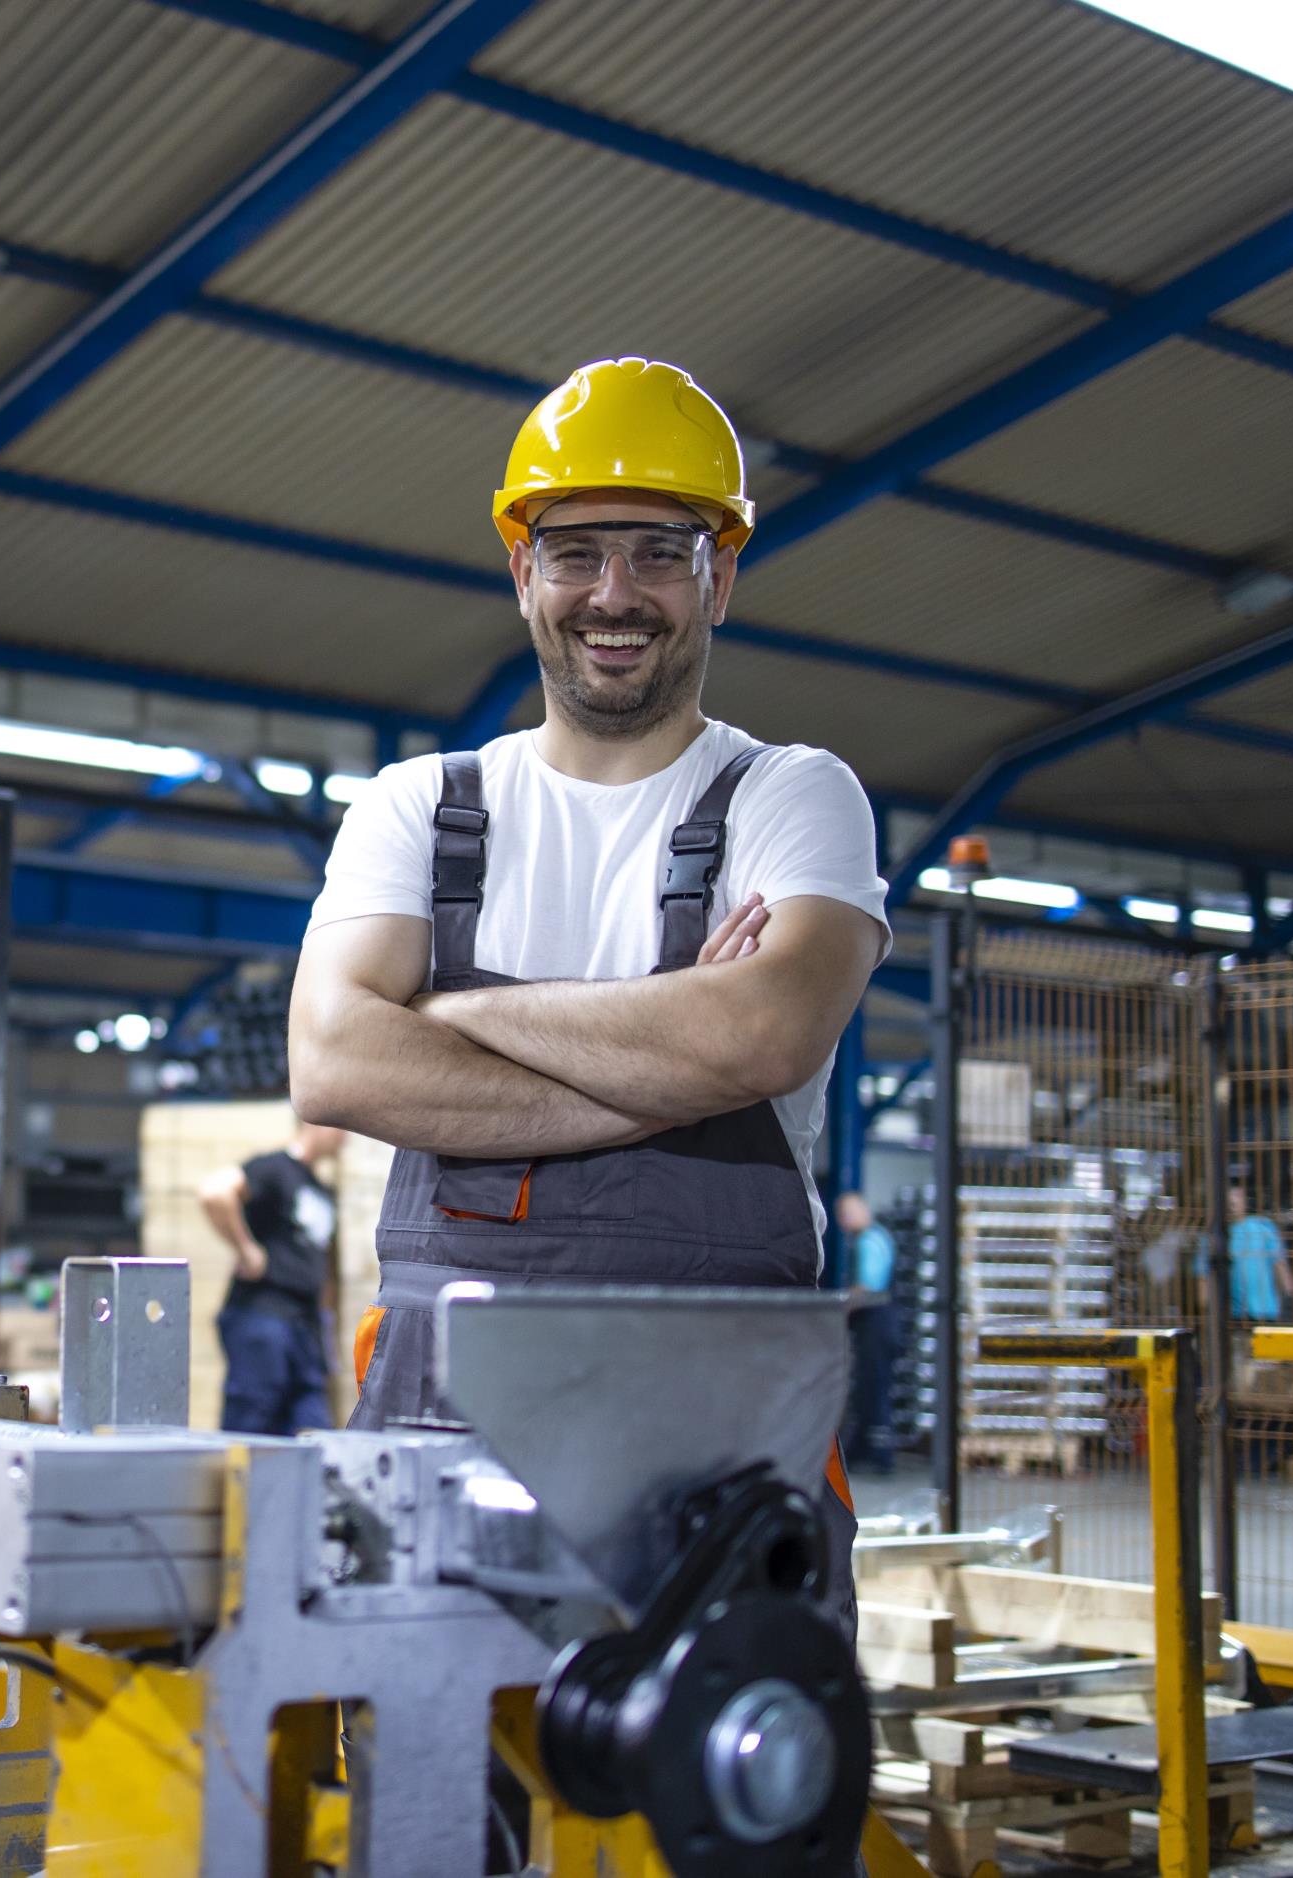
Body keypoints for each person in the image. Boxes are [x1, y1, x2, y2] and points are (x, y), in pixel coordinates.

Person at [289, 358, 890, 1634]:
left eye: (660, 553)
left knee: (725, 1798)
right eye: (575, 552)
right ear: (524, 574)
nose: (614, 595)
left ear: (719, 576)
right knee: (435, 1810)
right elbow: (337, 1064)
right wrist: (674, 1060)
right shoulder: (422, 805)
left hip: (721, 1448)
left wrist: (455, 1017)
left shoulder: (792, 798)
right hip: (440, 1431)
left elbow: (767, 1032)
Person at [198, 1120, 346, 1436]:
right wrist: (246, 1248)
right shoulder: (275, 1169)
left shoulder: (320, 1190)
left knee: (314, 1430)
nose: (345, 1139)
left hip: (304, 1328)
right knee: (252, 1425)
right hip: (263, 1315)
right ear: (316, 1124)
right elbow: (215, 1192)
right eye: (341, 1129)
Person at [837, 1193, 899, 1476]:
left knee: (874, 1389)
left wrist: (840, 1304)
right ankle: (862, 1449)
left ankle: (880, 1455)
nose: (843, 1221)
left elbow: (867, 1287)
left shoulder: (870, 1241)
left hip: (876, 1324)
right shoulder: (871, 1239)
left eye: (847, 1213)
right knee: (866, 1389)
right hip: (873, 1325)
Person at [1204, 1184, 1293, 1324]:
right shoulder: (1213, 1236)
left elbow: (1280, 1266)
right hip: (1232, 1314)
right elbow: (1204, 1277)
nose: (1232, 1204)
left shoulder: (1263, 1227)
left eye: (1236, 1198)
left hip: (1266, 1310)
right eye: (1228, 1201)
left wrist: (1290, 1299)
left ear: (1245, 1201)